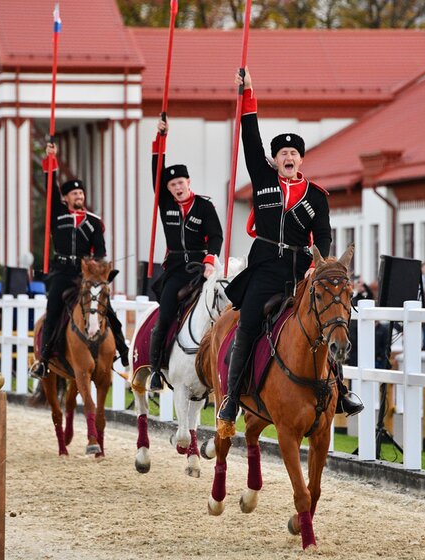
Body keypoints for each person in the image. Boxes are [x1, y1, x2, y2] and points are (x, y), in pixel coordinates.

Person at [216, 67, 362, 435]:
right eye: (282, 153)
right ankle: (232, 398)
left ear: (301, 159)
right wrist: (247, 94)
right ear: (275, 159)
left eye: (294, 152)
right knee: (247, 326)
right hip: (264, 270)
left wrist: (319, 265)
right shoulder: (263, 180)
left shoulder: (316, 196)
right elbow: (250, 137)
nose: (288, 157)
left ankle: (340, 390)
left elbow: (324, 236)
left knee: (329, 322)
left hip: (300, 272)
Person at [30, 141, 130, 379]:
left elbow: (101, 250)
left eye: (81, 193)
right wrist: (51, 160)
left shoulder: (94, 222)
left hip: (86, 274)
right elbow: (50, 188)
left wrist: (95, 264)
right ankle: (43, 358)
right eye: (74, 193)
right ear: (66, 198)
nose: (79, 196)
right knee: (53, 308)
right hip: (62, 272)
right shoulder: (58, 214)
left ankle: (123, 351)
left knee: (108, 310)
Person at [147, 118, 224, 392]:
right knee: (165, 313)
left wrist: (209, 259)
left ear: (188, 182)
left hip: (201, 268)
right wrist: (161, 140)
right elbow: (156, 171)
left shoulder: (204, 206)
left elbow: (216, 236)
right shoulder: (166, 203)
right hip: (175, 270)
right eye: (172, 185)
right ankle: (156, 369)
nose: (177, 187)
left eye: (181, 182)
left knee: (220, 309)